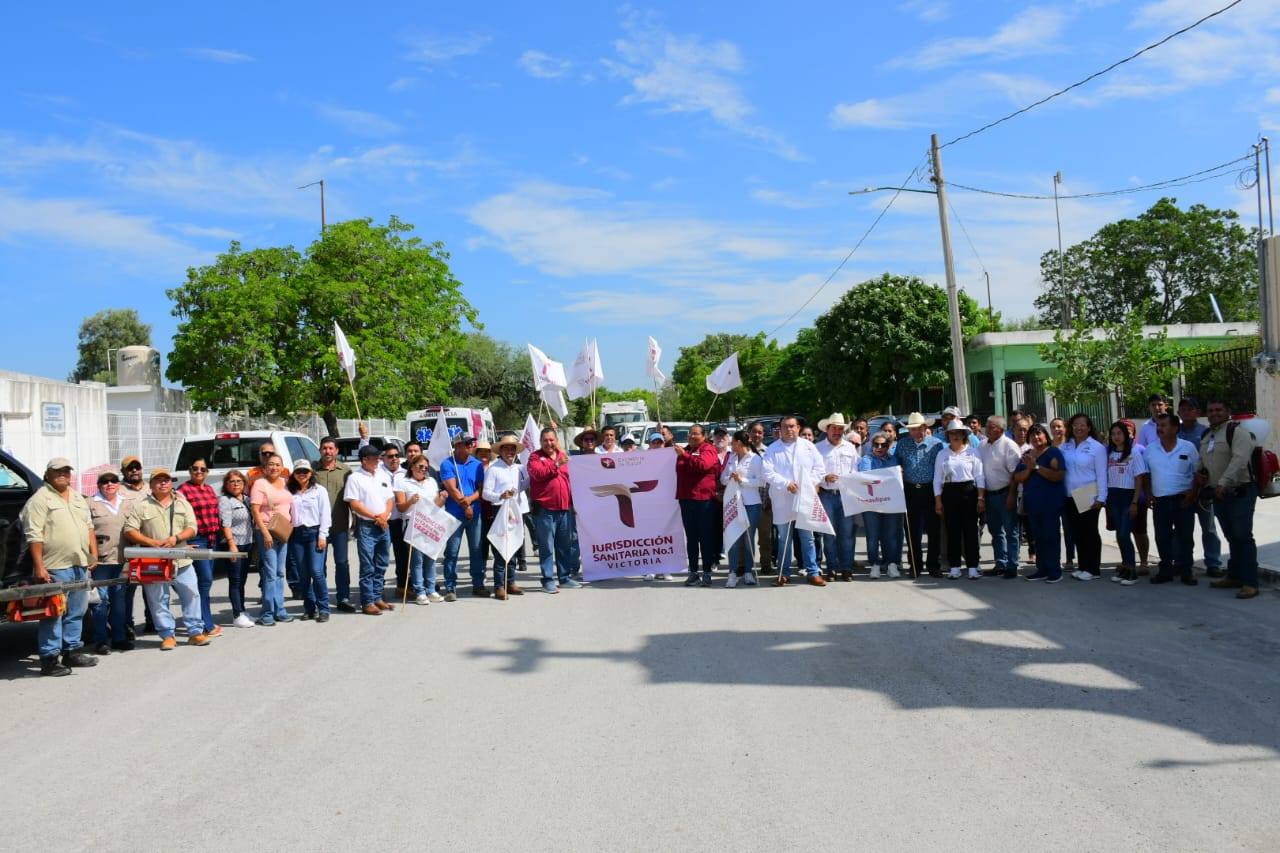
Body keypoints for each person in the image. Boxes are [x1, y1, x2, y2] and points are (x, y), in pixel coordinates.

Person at [19, 458, 98, 675]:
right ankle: (49, 658)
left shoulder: (77, 497)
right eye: (58, 471)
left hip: (79, 563)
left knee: (77, 610)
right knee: (54, 613)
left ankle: (72, 651)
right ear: (47, 474)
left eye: (66, 471)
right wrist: (39, 567)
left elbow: (89, 527)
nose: (63, 474)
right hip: (55, 566)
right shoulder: (40, 499)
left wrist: (93, 554)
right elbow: (33, 536)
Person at [122, 469, 209, 650]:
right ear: (151, 484)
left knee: (192, 594)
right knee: (158, 599)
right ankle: (167, 635)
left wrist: (175, 539)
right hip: (154, 560)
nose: (163, 483)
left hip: (182, 559)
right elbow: (130, 530)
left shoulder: (182, 504)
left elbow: (192, 528)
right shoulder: (142, 505)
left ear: (171, 483)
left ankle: (195, 632)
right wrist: (151, 542)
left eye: (166, 480)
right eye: (158, 480)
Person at [1199, 398, 1261, 599]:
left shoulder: (1237, 432)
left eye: (1219, 409)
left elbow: (1240, 460)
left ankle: (1250, 582)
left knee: (1243, 536)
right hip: (1218, 493)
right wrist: (1201, 474)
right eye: (1211, 410)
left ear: (1227, 411)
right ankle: (1234, 576)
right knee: (1231, 536)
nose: (1214, 413)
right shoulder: (1207, 435)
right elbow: (1205, 461)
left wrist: (1224, 482)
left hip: (1239, 491)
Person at [762, 415, 827, 586]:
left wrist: (807, 484)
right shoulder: (772, 449)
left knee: (808, 537)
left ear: (798, 428)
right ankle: (783, 573)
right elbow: (767, 473)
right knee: (784, 538)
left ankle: (813, 572)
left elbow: (819, 469)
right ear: (780, 429)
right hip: (783, 499)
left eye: (792, 426)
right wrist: (786, 484)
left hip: (804, 498)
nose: (789, 429)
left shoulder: (809, 447)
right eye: (785, 426)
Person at [1145, 412, 1200, 586]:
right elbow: (1145, 475)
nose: (1160, 429)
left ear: (1175, 428)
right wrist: (1148, 494)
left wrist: (1193, 493)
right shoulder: (1150, 449)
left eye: (1164, 425)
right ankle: (1165, 571)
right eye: (1158, 426)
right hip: (1160, 501)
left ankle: (1186, 571)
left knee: (1185, 537)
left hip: (1183, 500)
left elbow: (1198, 473)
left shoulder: (1188, 447)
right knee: (1162, 537)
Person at [344, 444, 395, 614]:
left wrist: (385, 514)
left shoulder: (381, 474)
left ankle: (377, 597)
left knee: (381, 563)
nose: (378, 461)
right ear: (365, 460)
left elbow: (389, 498)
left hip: (383, 525)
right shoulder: (355, 478)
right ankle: (367, 601)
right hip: (367, 526)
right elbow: (354, 503)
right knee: (368, 565)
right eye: (375, 458)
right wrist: (375, 517)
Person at [528, 427, 579, 592]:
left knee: (564, 545)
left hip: (564, 509)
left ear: (556, 440)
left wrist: (573, 503)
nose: (549, 443)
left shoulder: (563, 456)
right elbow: (538, 474)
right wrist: (556, 465)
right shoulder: (535, 457)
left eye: (552, 440)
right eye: (545, 440)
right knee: (547, 547)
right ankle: (548, 580)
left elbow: (570, 480)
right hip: (545, 510)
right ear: (540, 442)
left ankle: (564, 577)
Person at [1013, 425, 1067, 582]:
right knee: (1038, 537)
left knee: (1051, 536)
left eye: (1039, 434)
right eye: (1033, 435)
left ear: (1045, 436)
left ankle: (1054, 571)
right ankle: (1041, 569)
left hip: (1050, 503)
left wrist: (1036, 467)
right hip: (1032, 503)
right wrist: (1030, 469)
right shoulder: (1027, 455)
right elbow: (1018, 477)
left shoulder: (1053, 452)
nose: (1036, 438)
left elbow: (1058, 476)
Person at [669, 423, 721, 587]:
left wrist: (684, 455)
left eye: (696, 434)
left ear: (704, 436)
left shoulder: (708, 449)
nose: (692, 436)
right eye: (690, 433)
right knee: (691, 539)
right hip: (686, 499)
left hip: (703, 500)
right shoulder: (687, 450)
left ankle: (706, 573)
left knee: (705, 538)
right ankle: (693, 573)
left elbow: (703, 465)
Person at [1176, 396, 1223, 577]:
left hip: (1203, 488)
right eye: (1183, 409)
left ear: (1198, 412)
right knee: (1181, 529)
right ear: (1178, 413)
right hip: (1181, 489)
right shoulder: (1174, 432)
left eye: (1191, 408)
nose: (1186, 411)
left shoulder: (1206, 432)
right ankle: (1181, 561)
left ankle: (1213, 563)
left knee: (1208, 527)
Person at [176, 458, 223, 639]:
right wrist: (183, 542)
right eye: (195, 469)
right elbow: (177, 519)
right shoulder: (183, 491)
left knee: (205, 583)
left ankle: (202, 619)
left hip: (211, 539)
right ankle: (206, 624)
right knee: (204, 581)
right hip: (196, 540)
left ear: (207, 472)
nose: (199, 472)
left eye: (203, 469)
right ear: (189, 470)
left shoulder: (209, 489)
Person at [88, 470, 133, 653]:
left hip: (123, 559)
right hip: (101, 562)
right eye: (105, 481)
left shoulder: (127, 503)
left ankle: (119, 638)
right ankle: (101, 640)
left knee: (119, 601)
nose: (109, 484)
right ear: (99, 485)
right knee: (100, 601)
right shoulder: (90, 503)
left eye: (113, 480)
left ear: (118, 484)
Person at [894, 412, 944, 578]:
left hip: (930, 490)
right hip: (910, 490)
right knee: (912, 530)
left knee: (933, 529)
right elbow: (895, 464)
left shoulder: (937, 445)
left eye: (919, 428)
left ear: (925, 428)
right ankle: (915, 564)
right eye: (913, 429)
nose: (916, 432)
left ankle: (933, 565)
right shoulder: (902, 445)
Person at [934, 419, 985, 579]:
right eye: (952, 433)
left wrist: (981, 498)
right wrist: (938, 500)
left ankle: (972, 566)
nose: (955, 436)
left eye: (958, 433)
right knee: (952, 530)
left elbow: (980, 476)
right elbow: (937, 479)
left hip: (969, 491)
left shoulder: (973, 452)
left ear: (964, 435)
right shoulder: (942, 454)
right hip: (950, 492)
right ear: (948, 436)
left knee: (970, 530)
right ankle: (954, 566)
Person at [1060, 413, 1108, 581]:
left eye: (1082, 425)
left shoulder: (1097, 447)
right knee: (1077, 533)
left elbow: (1102, 474)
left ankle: (1093, 569)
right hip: (1069, 495)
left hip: (1088, 493)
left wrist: (1101, 497)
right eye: (1075, 425)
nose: (1079, 428)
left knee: (1090, 532)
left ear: (1089, 428)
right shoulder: (1066, 445)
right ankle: (1083, 566)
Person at [482, 434, 530, 600]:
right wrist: (500, 496)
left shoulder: (520, 468)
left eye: (512, 449)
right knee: (501, 549)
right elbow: (486, 493)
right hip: (500, 512)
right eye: (507, 449)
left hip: (516, 512)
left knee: (515, 547)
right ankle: (499, 586)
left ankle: (510, 582)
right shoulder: (494, 469)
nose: (510, 451)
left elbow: (525, 486)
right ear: (500, 451)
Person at [440, 433, 487, 597]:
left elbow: (481, 489)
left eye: (471, 443)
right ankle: (450, 586)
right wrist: (465, 505)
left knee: (476, 549)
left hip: (475, 513)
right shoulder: (447, 463)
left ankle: (478, 584)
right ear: (457, 446)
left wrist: (470, 501)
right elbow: (452, 489)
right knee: (452, 551)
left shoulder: (477, 464)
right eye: (466, 443)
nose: (470, 445)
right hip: (454, 514)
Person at [396, 454, 448, 604]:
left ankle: (431, 589)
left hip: (430, 524)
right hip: (413, 524)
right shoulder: (403, 482)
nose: (423, 470)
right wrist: (410, 501)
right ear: (412, 467)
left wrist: (442, 498)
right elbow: (400, 507)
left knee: (431, 558)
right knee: (417, 560)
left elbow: (436, 505)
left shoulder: (431, 481)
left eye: (426, 468)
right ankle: (419, 591)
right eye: (420, 466)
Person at [250, 453, 294, 624]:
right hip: (266, 531)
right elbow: (255, 510)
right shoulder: (260, 484)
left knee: (280, 572)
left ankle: (279, 610)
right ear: (265, 467)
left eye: (277, 464)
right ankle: (267, 613)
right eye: (270, 464)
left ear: (282, 467)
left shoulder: (286, 483)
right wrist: (265, 533)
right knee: (270, 573)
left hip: (283, 531)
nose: (274, 467)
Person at [814, 412, 859, 581]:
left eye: (840, 429)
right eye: (834, 428)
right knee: (829, 534)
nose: (837, 432)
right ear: (827, 429)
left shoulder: (850, 448)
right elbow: (814, 472)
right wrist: (824, 477)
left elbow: (856, 470)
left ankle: (846, 568)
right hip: (826, 495)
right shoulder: (818, 448)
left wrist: (851, 480)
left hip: (846, 495)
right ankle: (832, 568)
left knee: (847, 534)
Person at [315, 437, 356, 613]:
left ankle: (343, 597)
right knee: (318, 566)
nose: (327, 451)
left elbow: (352, 498)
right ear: (320, 450)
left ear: (337, 451)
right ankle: (320, 599)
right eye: (324, 448)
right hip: (317, 528)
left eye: (331, 448)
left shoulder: (346, 471)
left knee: (341, 563)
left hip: (339, 525)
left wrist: (356, 522)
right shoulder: (311, 471)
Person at [288, 459, 332, 621]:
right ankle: (309, 608)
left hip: (314, 533)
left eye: (305, 471)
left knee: (317, 571)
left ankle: (324, 608)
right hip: (296, 535)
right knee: (303, 574)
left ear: (311, 473)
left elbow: (325, 514)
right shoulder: (289, 491)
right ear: (293, 474)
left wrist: (323, 535)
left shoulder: (319, 490)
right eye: (298, 471)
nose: (302, 474)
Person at [978, 416, 1022, 578]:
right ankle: (1000, 563)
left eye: (992, 427)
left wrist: (1011, 495)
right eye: (987, 426)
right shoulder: (982, 445)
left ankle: (1012, 565)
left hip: (1005, 493)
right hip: (989, 495)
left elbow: (1015, 474)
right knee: (995, 531)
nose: (988, 429)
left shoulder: (1009, 446)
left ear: (1002, 430)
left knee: (1011, 531)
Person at [1105, 422, 1147, 585]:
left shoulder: (1134, 453)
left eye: (1119, 433)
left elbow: (1139, 479)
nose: (1116, 437)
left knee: (1124, 534)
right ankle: (1125, 567)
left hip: (1129, 497)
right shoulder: (1110, 454)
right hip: (1114, 497)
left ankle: (1132, 572)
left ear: (1126, 435)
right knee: (1119, 536)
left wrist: (1135, 502)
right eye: (1113, 434)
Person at [720, 430, 763, 587]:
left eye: (733, 442)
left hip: (751, 503)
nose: (731, 444)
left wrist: (742, 480)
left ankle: (748, 572)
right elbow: (722, 478)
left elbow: (761, 481)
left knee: (748, 539)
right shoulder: (731, 458)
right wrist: (729, 478)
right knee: (733, 537)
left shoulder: (755, 459)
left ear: (738, 442)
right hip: (733, 503)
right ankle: (732, 573)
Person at [859, 434, 903, 579]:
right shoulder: (866, 459)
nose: (879, 448)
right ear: (872, 445)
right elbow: (867, 477)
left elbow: (894, 479)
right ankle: (875, 565)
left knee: (890, 536)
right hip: (871, 503)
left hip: (890, 501)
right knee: (873, 536)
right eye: (876, 445)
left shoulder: (893, 459)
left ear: (888, 446)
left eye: (883, 445)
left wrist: (895, 475)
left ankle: (891, 564)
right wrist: (887, 477)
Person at [218, 470, 255, 628]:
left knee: (243, 580)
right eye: (232, 481)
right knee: (235, 580)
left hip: (247, 543)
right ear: (226, 484)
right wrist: (231, 544)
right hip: (234, 544)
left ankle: (242, 610)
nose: (235, 484)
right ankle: (237, 614)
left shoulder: (247, 499)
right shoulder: (225, 501)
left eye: (239, 481)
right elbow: (225, 524)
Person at [380, 445, 409, 599]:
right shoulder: (377, 474)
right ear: (382, 458)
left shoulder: (405, 474)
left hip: (399, 520)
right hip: (382, 521)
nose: (394, 459)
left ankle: (402, 585)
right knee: (381, 557)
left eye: (396, 455)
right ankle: (378, 588)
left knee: (402, 556)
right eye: (390, 456)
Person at [748, 421, 774, 574]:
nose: (756, 434)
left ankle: (766, 564)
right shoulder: (742, 451)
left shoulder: (769, 452)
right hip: (747, 502)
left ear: (763, 435)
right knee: (746, 538)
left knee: (765, 538)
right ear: (749, 432)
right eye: (754, 431)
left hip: (765, 502)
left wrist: (771, 499)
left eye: (760, 432)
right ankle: (744, 566)